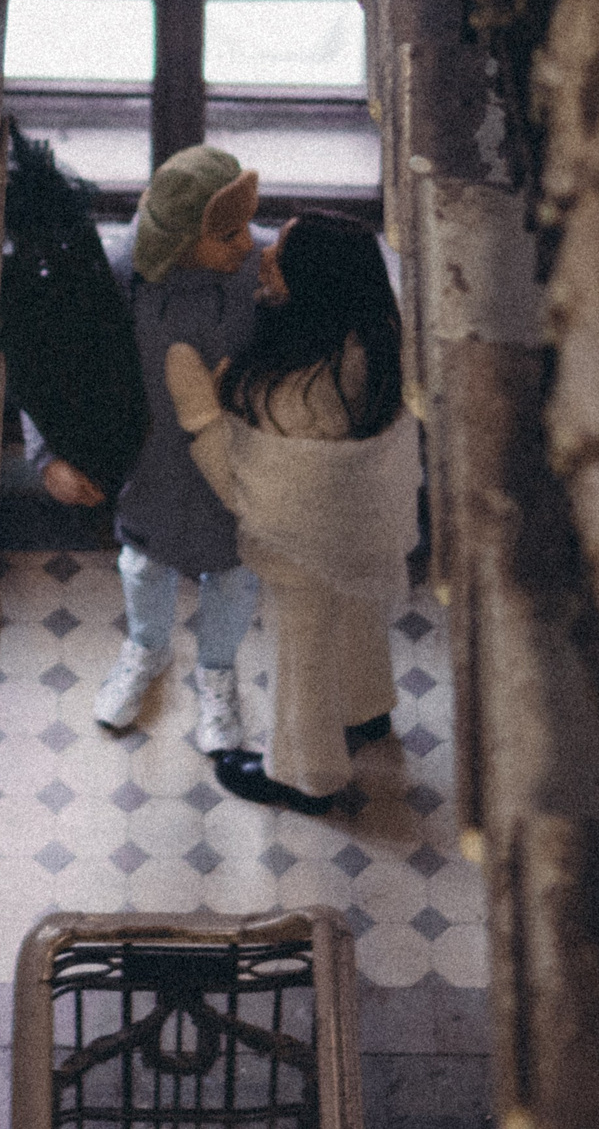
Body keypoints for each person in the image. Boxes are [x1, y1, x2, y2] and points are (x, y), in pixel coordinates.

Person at [163, 211, 419, 815]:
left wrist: (202, 413)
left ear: (313, 284)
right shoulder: (372, 341)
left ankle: (305, 776)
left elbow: (248, 479)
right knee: (355, 615)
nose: (262, 255)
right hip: (365, 524)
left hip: (305, 543)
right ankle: (366, 710)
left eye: (279, 252)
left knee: (301, 653)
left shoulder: (299, 389)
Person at [29, 144, 268, 753]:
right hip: (148, 465)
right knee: (141, 567)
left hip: (239, 467)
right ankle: (146, 648)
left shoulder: (263, 269)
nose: (248, 244)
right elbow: (46, 365)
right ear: (184, 238)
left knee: (236, 579)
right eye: (228, 234)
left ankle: (217, 674)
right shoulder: (113, 277)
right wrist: (47, 456)